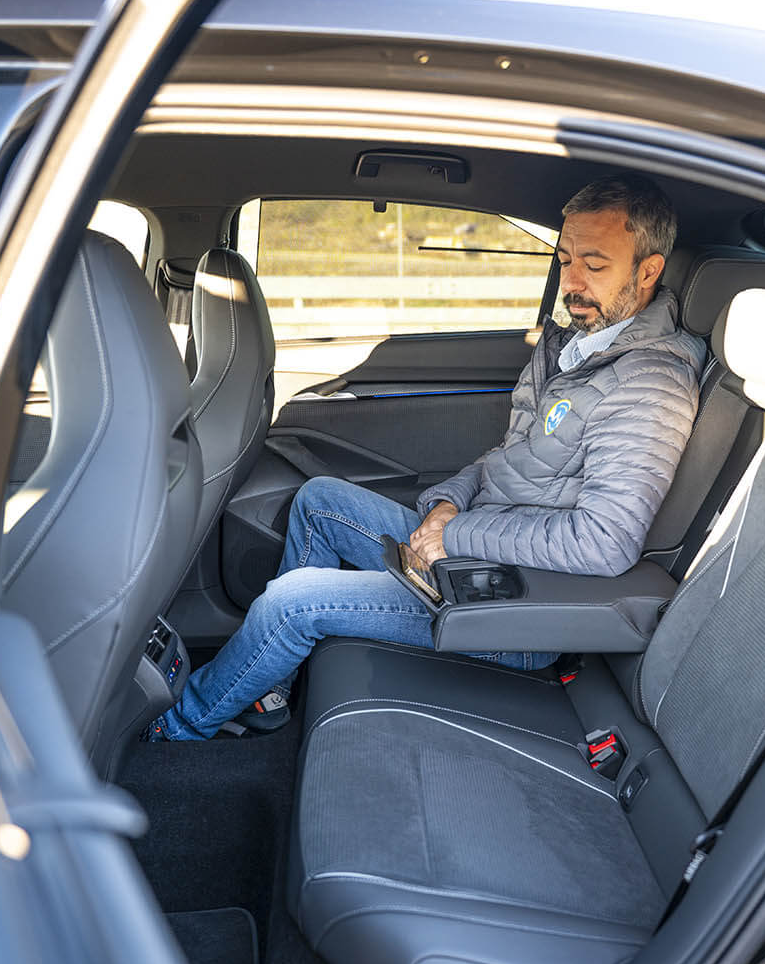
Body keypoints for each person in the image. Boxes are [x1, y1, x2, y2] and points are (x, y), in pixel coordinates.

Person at [147, 173, 705, 742]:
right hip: (477, 556)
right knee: (318, 502)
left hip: (514, 605)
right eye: (564, 261)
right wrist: (447, 506)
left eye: (594, 264)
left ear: (648, 271)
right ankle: (268, 688)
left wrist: (455, 536)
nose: (572, 282)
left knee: (291, 602)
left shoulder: (648, 385)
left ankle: (178, 727)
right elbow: (507, 459)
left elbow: (605, 542)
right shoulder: (577, 348)